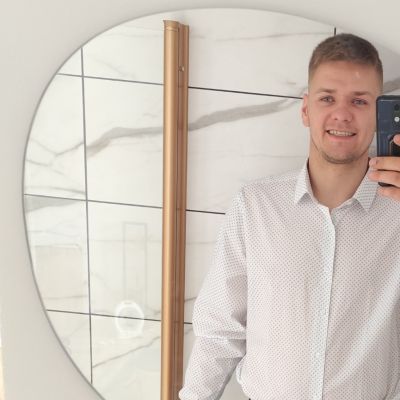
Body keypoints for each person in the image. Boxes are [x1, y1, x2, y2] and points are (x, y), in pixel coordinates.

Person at [179, 33, 400, 400]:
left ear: (378, 115)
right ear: (305, 110)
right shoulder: (255, 206)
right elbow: (219, 329)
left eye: (359, 101)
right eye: (327, 98)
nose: (342, 114)